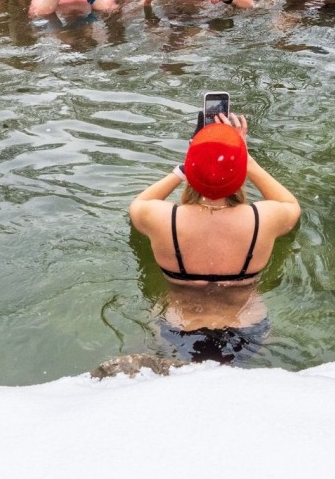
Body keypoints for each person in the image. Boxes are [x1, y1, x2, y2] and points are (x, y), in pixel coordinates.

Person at [129, 114, 301, 365]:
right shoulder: (263, 218)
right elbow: (289, 203)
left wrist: (184, 168)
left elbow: (139, 202)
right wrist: (246, 159)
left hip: (177, 329)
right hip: (247, 331)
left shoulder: (162, 218)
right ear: (240, 172)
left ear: (191, 170)